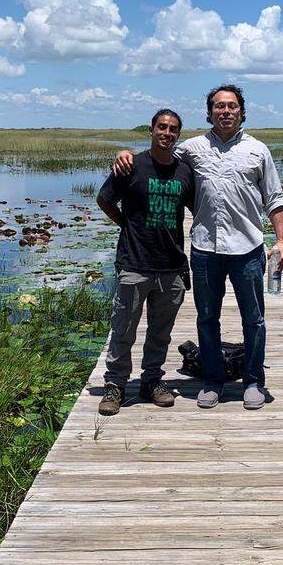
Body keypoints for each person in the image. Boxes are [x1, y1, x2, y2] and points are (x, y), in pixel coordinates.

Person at [114, 85, 283, 410]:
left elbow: (274, 199)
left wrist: (281, 240)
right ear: (209, 113)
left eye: (231, 106)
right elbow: (157, 155)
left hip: (248, 248)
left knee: (254, 319)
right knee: (207, 318)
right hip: (206, 249)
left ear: (241, 112)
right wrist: (126, 153)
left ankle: (253, 381)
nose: (225, 111)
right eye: (219, 106)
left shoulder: (258, 150)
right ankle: (213, 380)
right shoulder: (192, 148)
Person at [96, 108, 195, 416]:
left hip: (171, 265)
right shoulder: (131, 164)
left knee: (160, 332)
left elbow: (200, 206)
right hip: (134, 263)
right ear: (151, 130)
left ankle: (151, 381)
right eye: (162, 127)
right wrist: (125, 223)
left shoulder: (184, 171)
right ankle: (115, 385)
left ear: (178, 135)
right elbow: (104, 199)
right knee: (123, 327)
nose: (167, 133)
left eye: (173, 129)